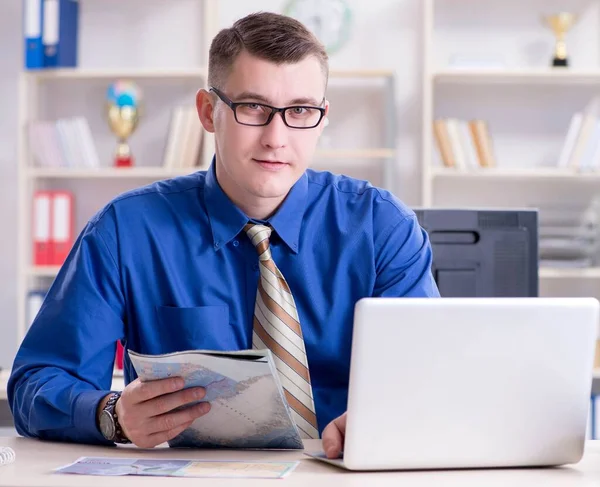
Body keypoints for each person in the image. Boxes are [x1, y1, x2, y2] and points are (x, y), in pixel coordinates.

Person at [8, 11, 439, 459]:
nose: (277, 137)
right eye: (253, 107)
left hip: (342, 472)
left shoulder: (382, 227)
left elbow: (431, 374)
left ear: (323, 117)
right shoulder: (126, 231)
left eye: (300, 111)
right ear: (208, 111)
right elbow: (37, 382)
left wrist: (392, 415)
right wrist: (111, 413)